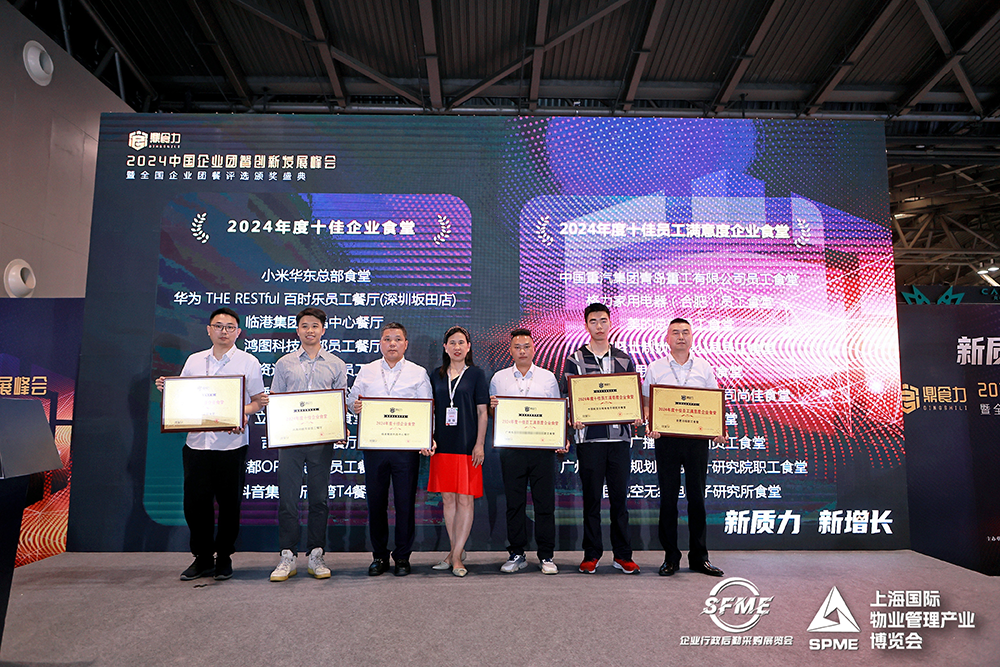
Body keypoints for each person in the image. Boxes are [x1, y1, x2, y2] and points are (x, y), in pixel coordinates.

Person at [155, 307, 267, 581]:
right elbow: (183, 398)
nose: (223, 331)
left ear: (238, 332)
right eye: (218, 326)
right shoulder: (194, 360)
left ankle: (224, 557)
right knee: (196, 505)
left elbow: (258, 401)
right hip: (196, 444)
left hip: (231, 445)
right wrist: (168, 389)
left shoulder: (248, 362)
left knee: (229, 505)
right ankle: (203, 558)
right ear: (208, 330)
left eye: (230, 327)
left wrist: (241, 412)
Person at [347, 322, 432, 576]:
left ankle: (403, 557)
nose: (392, 343)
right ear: (380, 344)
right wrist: (354, 406)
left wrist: (428, 437)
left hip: (406, 449)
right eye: (387, 339)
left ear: (406, 344)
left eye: (397, 339)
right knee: (376, 503)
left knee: (405, 503)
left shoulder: (418, 373)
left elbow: (428, 408)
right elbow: (352, 400)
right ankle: (379, 556)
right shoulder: (367, 371)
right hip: (375, 447)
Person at [268, 308, 347, 582]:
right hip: (290, 440)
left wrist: (340, 426)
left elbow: (340, 400)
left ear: (323, 329)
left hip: (321, 440)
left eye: (315, 326)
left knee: (319, 499)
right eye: (304, 326)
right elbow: (276, 398)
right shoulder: (284, 363)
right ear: (297, 330)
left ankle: (316, 553)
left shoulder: (336, 364)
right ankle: (287, 555)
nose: (309, 330)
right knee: (288, 499)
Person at [563, 303, 643, 574]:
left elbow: (632, 395)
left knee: (620, 500)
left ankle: (623, 555)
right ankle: (592, 554)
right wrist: (573, 416)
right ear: (586, 325)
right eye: (593, 321)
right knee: (592, 501)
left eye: (603, 320)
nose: (599, 326)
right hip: (589, 440)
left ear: (610, 323)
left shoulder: (623, 359)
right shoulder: (575, 359)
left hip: (619, 440)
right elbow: (568, 397)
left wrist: (635, 414)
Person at [644, 318, 726, 577]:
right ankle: (670, 557)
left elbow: (713, 403)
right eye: (675, 332)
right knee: (668, 499)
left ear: (692, 337)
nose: (681, 336)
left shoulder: (704, 367)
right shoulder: (655, 367)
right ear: (667, 338)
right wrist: (651, 423)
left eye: (685, 332)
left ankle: (699, 558)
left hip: (696, 440)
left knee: (697, 498)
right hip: (667, 439)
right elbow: (647, 403)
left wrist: (717, 429)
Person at [489, 328, 567, 575]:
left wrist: (560, 438)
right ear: (510, 350)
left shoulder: (548, 378)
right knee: (514, 503)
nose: (522, 351)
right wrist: (492, 408)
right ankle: (517, 553)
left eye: (526, 346)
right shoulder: (499, 378)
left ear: (534, 349)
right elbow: (493, 413)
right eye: (517, 347)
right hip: (511, 450)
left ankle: (546, 555)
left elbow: (557, 411)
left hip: (542, 450)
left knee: (544, 503)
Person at [428, 326, 489, 578]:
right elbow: (429, 410)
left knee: (465, 499)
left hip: (467, 446)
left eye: (461, 342)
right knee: (448, 500)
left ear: (469, 347)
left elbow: (483, 412)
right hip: (442, 446)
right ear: (445, 347)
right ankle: (456, 552)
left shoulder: (476, 374)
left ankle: (455, 556)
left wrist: (479, 444)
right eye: (452, 342)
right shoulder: (436, 375)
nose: (457, 347)